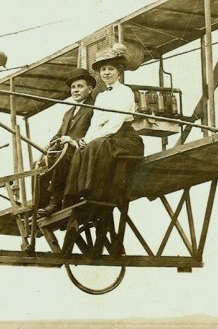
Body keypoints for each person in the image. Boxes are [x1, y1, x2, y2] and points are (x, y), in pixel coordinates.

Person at [63, 44, 144, 205]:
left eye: (110, 69)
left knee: (97, 145)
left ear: (119, 72)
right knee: (82, 149)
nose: (106, 73)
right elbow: (95, 124)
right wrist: (83, 141)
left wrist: (89, 141)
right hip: (108, 138)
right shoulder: (101, 97)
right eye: (103, 70)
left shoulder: (125, 92)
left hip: (126, 139)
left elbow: (114, 125)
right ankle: (74, 194)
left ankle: (95, 191)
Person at [36, 68, 97, 216]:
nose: (75, 90)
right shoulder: (68, 113)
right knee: (38, 164)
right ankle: (40, 205)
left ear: (89, 89)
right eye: (73, 87)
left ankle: (55, 201)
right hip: (64, 150)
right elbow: (59, 134)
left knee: (62, 158)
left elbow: (95, 131)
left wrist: (73, 141)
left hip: (82, 150)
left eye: (80, 86)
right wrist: (50, 144)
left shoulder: (94, 108)